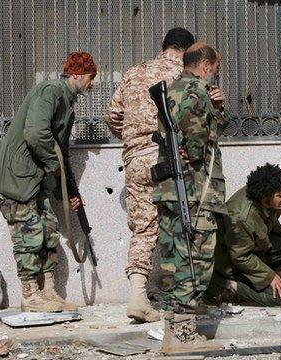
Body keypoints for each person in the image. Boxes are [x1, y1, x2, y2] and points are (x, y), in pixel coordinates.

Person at [0, 52, 97, 312]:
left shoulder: (67, 101)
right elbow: (36, 133)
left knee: (49, 229)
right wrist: (54, 167)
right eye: (91, 77)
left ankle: (47, 291)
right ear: (76, 74)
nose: (93, 84)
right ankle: (29, 295)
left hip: (36, 175)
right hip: (17, 174)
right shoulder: (50, 91)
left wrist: (67, 191)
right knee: (29, 233)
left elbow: (60, 149)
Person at [105, 28, 195, 323]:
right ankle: (183, 294)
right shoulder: (186, 73)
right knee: (181, 223)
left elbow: (112, 116)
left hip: (135, 160)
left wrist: (132, 139)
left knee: (143, 229)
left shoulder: (133, 73)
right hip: (169, 156)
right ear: (187, 49)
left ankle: (138, 296)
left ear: (164, 46)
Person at [153, 42, 229, 352]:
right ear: (207, 65)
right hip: (194, 190)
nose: (215, 76)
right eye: (216, 70)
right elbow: (198, 145)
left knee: (174, 259)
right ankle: (184, 337)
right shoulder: (197, 93)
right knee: (195, 259)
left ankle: (174, 332)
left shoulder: (171, 89)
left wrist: (218, 111)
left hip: (171, 190)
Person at [204, 163, 281, 307]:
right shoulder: (241, 217)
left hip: (255, 253)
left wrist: (268, 272)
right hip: (232, 263)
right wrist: (269, 276)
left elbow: (274, 227)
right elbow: (240, 257)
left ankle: (253, 281)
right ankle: (225, 284)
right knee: (277, 298)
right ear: (265, 198)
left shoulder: (267, 198)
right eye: (280, 195)